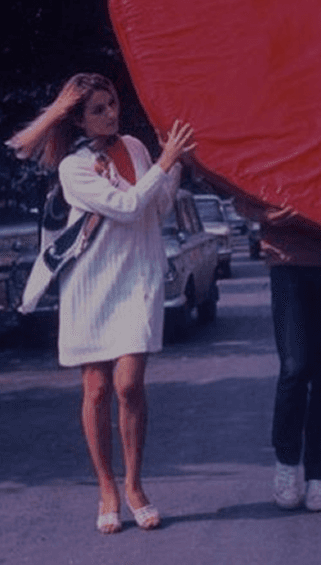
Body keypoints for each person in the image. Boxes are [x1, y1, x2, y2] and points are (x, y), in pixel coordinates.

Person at [8, 74, 194, 534]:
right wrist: (164, 162)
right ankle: (107, 488)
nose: (111, 114)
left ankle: (135, 485)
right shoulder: (73, 168)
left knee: (129, 384)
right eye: (99, 109)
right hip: (92, 283)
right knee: (95, 389)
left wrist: (175, 165)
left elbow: (156, 206)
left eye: (112, 104)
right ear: (78, 119)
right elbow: (128, 206)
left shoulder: (134, 146)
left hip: (138, 277)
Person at [255, 209, 321, 512]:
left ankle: (318, 476)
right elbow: (236, 176)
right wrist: (257, 213)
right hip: (288, 259)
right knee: (294, 367)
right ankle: (286, 466)